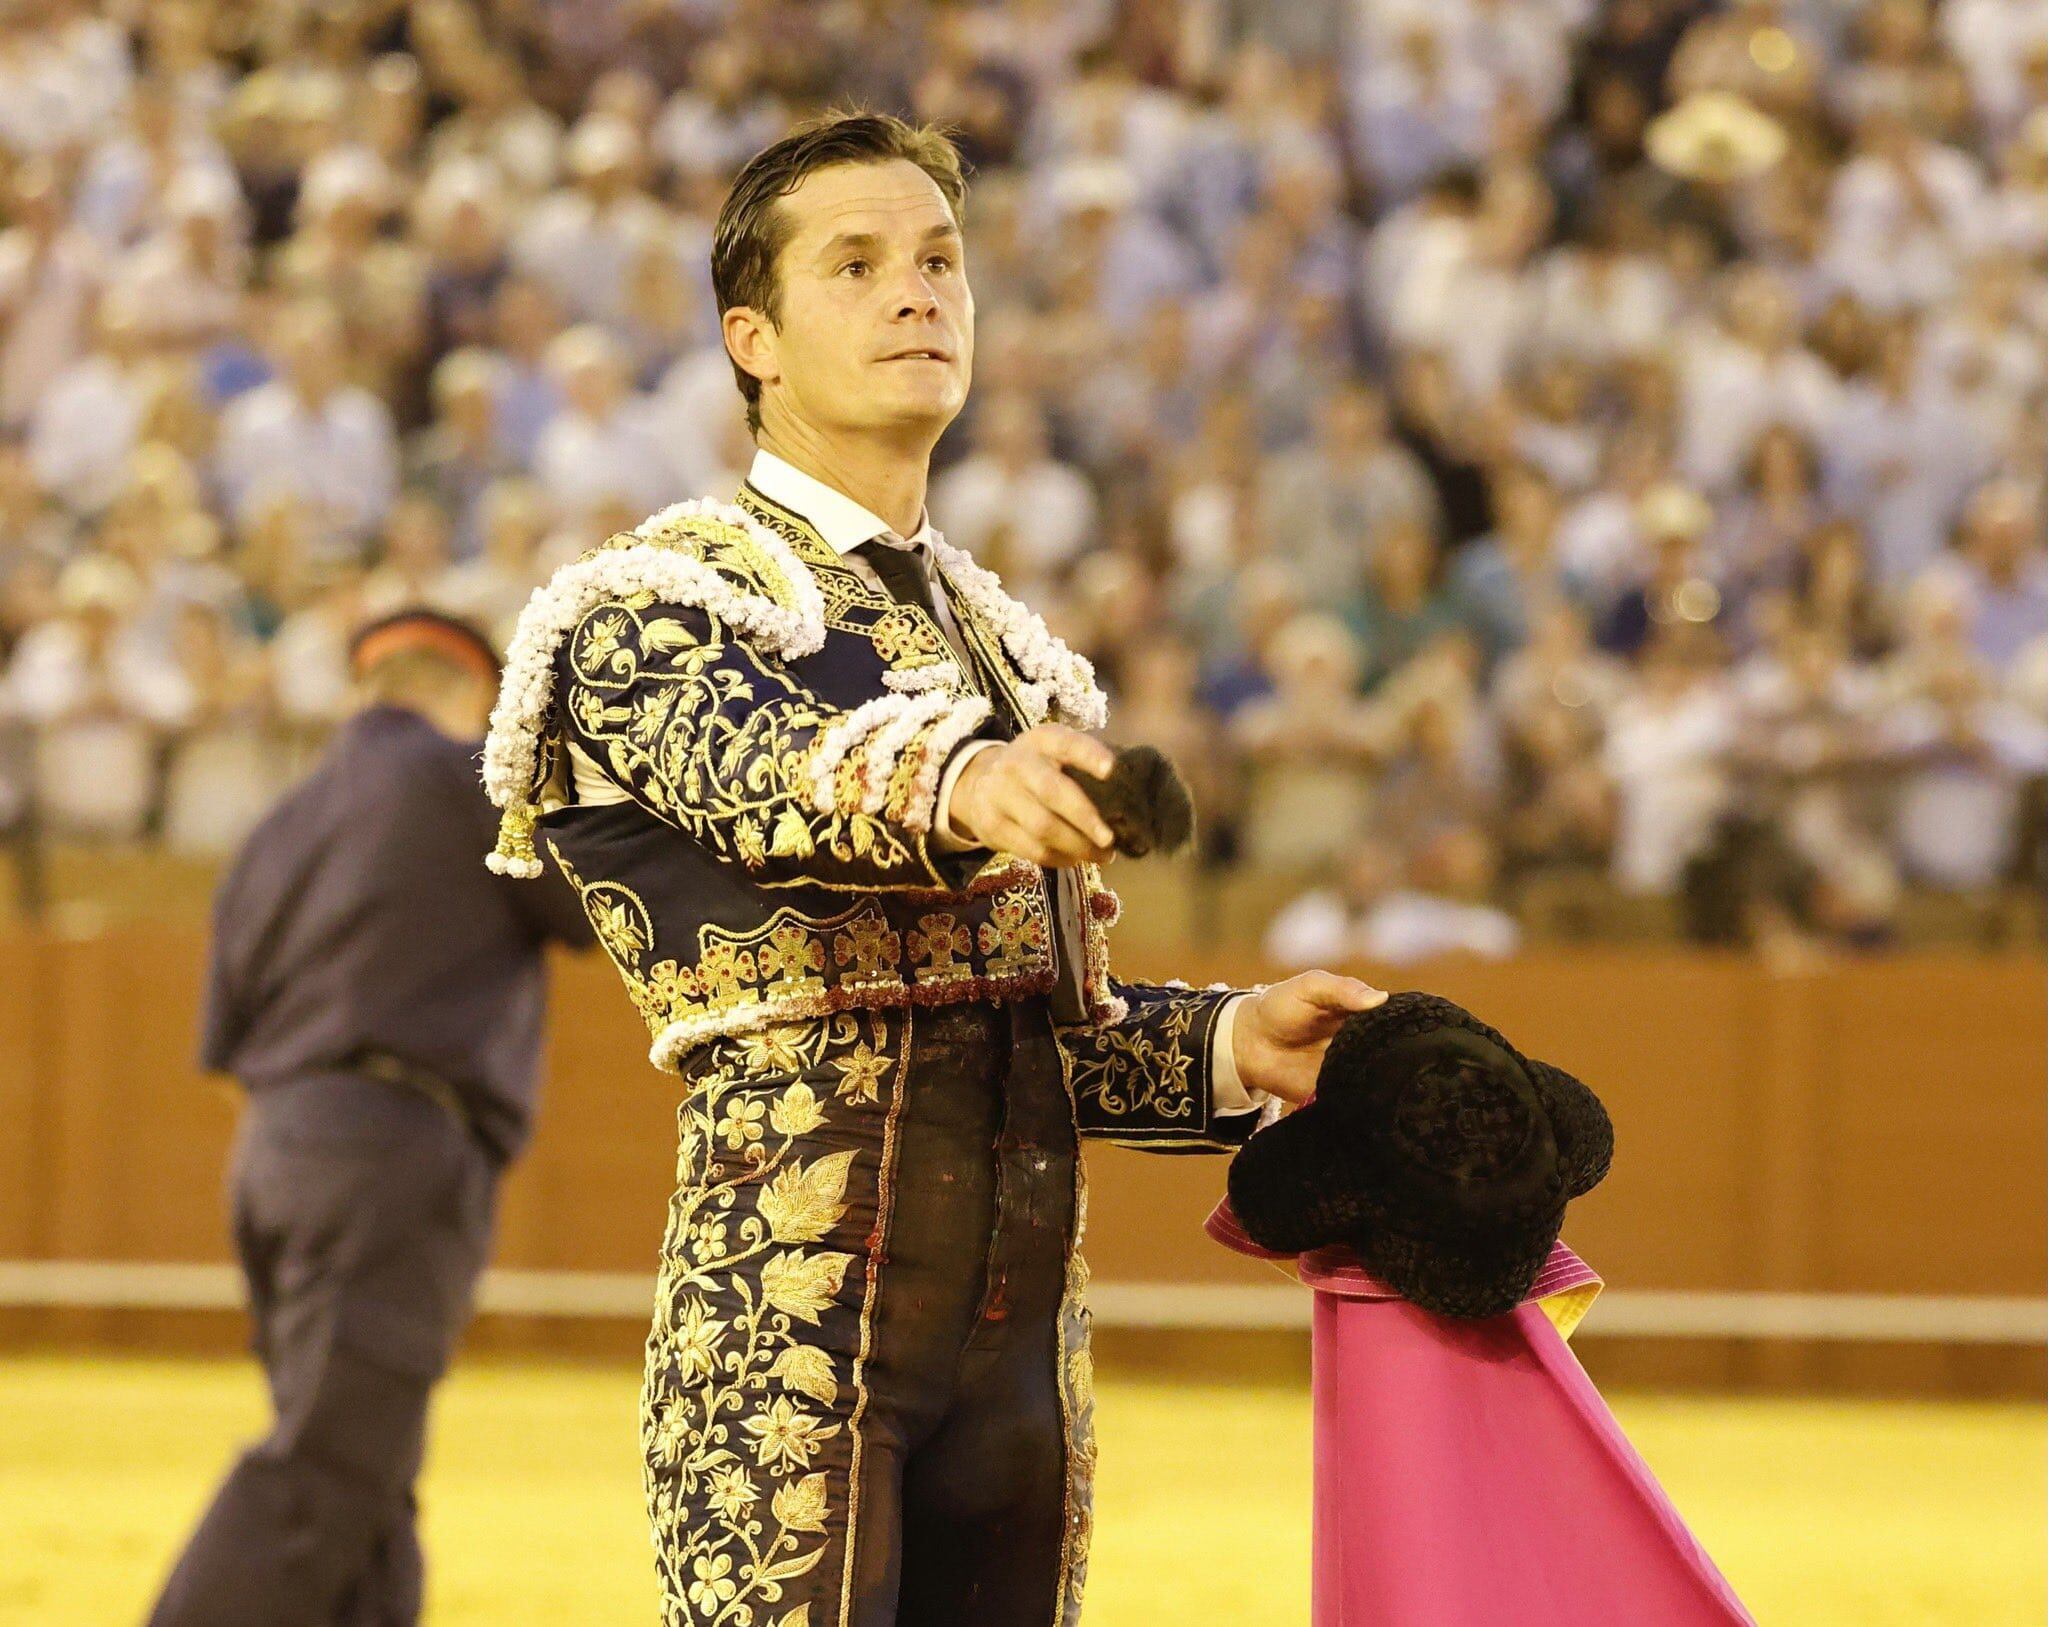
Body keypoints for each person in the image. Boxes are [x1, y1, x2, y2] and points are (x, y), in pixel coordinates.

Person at [479, 113, 1380, 1627]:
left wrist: (1235, 1041)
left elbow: (1042, 1025)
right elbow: (769, 776)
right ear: (750, 339)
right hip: (788, 1349)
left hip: (1025, 1371)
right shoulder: (653, 604)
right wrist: (967, 781)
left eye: (941, 260)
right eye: (859, 263)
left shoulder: (1016, 659)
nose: (919, 294)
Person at [146, 608, 591, 1627]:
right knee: (330, 1473)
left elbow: (221, 1048)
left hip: (274, 1152)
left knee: (365, 1478)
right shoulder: (466, 779)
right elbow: (592, 907)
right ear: (474, 702)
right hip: (391, 1153)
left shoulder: (276, 824)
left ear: (365, 689)